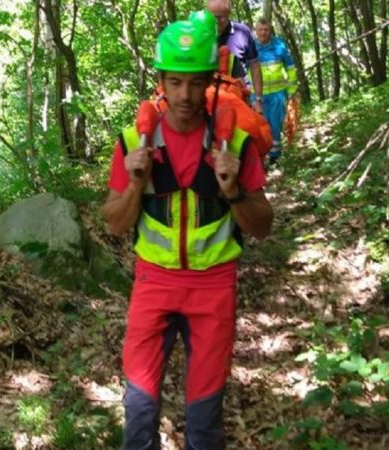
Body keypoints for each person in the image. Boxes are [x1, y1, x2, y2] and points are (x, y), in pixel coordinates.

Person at [102, 18, 274, 450]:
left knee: (204, 418)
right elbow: (115, 223)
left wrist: (233, 191)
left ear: (211, 83)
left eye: (195, 83)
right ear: (160, 82)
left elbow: (263, 226)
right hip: (153, 283)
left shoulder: (235, 144)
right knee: (138, 412)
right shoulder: (133, 142)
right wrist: (136, 184)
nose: (184, 95)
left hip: (213, 287)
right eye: (175, 82)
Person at [207, 0, 263, 114]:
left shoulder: (242, 32)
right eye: (211, 17)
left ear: (228, 15)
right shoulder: (199, 35)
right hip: (208, 101)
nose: (215, 22)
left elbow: (254, 64)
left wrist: (258, 99)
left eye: (219, 18)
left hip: (239, 98)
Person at [254, 17, 297, 164]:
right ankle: (260, 157)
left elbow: (290, 67)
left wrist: (291, 90)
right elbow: (244, 70)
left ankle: (275, 157)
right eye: (260, 30)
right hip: (257, 95)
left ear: (270, 30)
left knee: (275, 126)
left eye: (266, 30)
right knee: (258, 126)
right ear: (256, 31)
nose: (263, 33)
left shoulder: (279, 45)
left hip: (277, 94)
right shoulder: (251, 47)